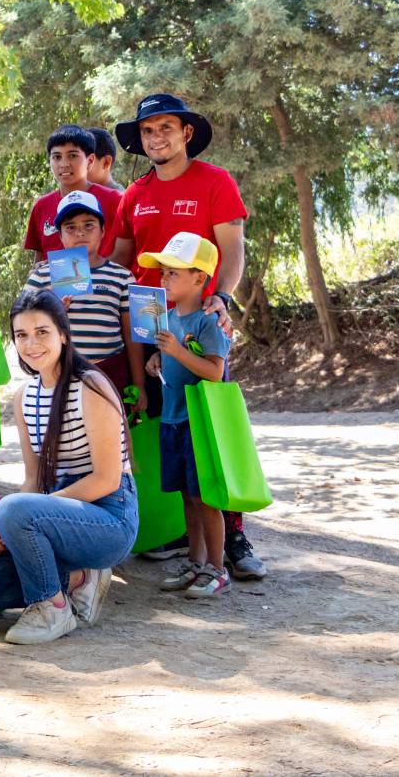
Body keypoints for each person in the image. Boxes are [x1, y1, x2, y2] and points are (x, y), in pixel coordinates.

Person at [111, 93, 264, 579]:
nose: (157, 138)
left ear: (186, 133)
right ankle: (187, 540)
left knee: (210, 435)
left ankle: (233, 539)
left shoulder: (215, 182)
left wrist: (222, 298)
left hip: (201, 321)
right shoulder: (134, 195)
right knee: (169, 431)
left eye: (166, 129)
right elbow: (121, 261)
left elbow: (232, 252)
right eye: (149, 131)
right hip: (149, 327)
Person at [0, 290, 138, 644]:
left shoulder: (91, 385)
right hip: (54, 515)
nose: (31, 343)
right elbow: (34, 479)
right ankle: (79, 580)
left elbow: (107, 478)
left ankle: (51, 608)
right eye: (21, 335)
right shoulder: (26, 397)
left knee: (16, 509)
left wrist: (27, 514)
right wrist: (5, 532)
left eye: (42, 332)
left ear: (63, 334)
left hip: (109, 518)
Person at [140, 234, 232, 597]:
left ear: (199, 278)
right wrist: (158, 359)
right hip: (172, 420)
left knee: (206, 498)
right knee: (186, 498)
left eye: (173, 273)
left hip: (199, 423)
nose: (164, 279)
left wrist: (176, 351)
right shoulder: (168, 318)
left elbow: (215, 371)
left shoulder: (209, 322)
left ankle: (218, 568)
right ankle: (196, 563)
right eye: (163, 272)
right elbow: (172, 359)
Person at [24, 191, 145, 411]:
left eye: (89, 225)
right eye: (70, 227)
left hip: (110, 374)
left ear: (103, 231)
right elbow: (22, 323)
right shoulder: (41, 275)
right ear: (60, 235)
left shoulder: (121, 276)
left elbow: (131, 334)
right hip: (59, 375)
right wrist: (49, 308)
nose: (80, 232)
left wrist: (139, 385)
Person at [23, 125, 123, 263]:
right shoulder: (41, 206)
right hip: (57, 285)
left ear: (90, 161)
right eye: (57, 157)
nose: (64, 164)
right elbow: (39, 258)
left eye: (72, 156)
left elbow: (127, 252)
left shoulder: (115, 201)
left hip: (107, 284)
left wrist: (100, 274)